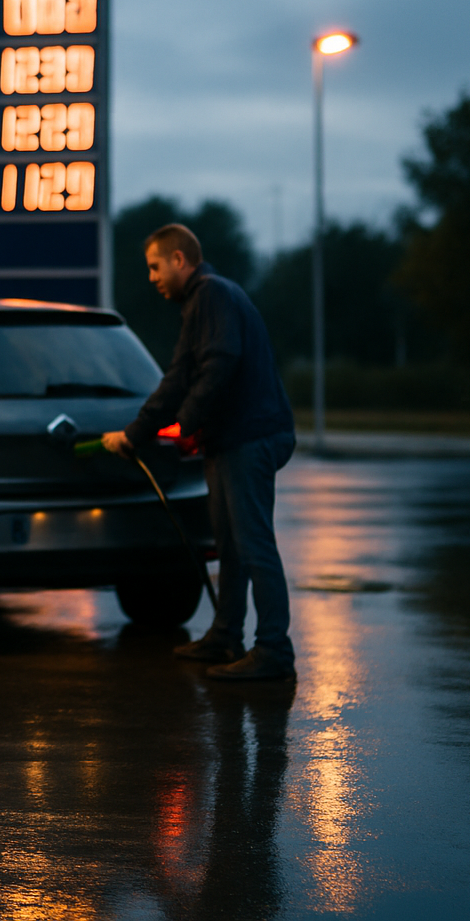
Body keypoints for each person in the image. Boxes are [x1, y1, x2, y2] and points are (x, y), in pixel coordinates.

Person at [102, 224, 298, 681]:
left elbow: (219, 363)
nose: (151, 277)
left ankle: (274, 650)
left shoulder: (211, 295)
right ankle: (225, 636)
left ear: (179, 260)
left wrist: (183, 423)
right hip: (230, 438)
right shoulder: (201, 304)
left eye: (155, 266)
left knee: (253, 544)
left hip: (250, 437)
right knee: (230, 545)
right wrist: (138, 433)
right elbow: (177, 378)